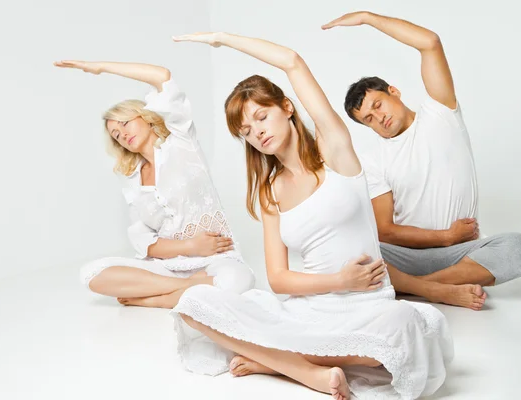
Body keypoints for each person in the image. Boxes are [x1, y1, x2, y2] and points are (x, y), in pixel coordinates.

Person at [169, 32, 453, 400]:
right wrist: (339, 280)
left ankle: (272, 358)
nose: (258, 133)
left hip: (368, 308)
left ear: (287, 107)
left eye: (262, 116)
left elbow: (292, 61)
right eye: (247, 131)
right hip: (309, 311)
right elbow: (279, 279)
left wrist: (222, 39)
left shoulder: (334, 152)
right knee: (193, 305)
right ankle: (303, 370)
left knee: (406, 329)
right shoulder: (270, 192)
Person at [324, 11, 521, 310]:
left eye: (378, 105)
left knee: (515, 246)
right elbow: (385, 230)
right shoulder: (374, 161)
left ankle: (418, 289)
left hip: (461, 251)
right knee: (350, 248)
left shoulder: (440, 112)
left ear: (394, 92)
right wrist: (445, 236)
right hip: (409, 256)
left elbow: (430, 42)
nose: (379, 117)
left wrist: (366, 17)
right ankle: (436, 287)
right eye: (369, 119)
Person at [54, 60, 255, 309]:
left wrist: (101, 68)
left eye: (125, 123)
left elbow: (161, 76)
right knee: (91, 274)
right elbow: (144, 241)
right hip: (165, 268)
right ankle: (186, 290)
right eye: (116, 135)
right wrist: (190, 246)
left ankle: (154, 299)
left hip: (215, 260)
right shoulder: (131, 179)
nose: (122, 134)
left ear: (146, 118)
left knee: (238, 280)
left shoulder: (182, 143)